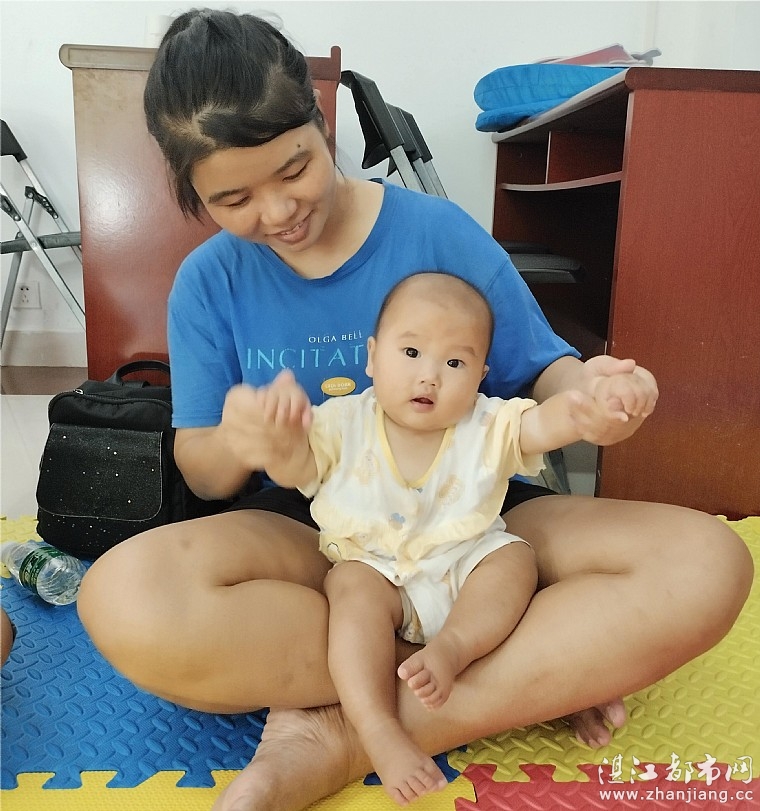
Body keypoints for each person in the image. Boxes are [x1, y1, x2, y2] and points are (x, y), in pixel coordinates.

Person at [74, 9, 752, 811]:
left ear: (320, 122)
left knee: (707, 562)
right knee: (121, 598)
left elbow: (545, 372)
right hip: (314, 535)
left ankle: (342, 732)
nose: (278, 211)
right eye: (234, 197)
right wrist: (243, 438)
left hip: (472, 512)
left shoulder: (437, 232)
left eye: (294, 169)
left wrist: (596, 397)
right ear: (193, 192)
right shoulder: (209, 281)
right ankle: (525, 670)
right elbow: (202, 470)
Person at [246, 270, 656, 804]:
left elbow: (543, 424)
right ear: (372, 357)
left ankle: (454, 651)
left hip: (464, 572)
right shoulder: (342, 421)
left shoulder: (486, 424)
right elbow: (296, 466)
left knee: (514, 561)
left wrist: (592, 405)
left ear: (481, 375)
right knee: (348, 588)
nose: (430, 377)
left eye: (455, 363)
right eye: (411, 352)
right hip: (380, 576)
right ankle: (376, 728)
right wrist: (278, 439)